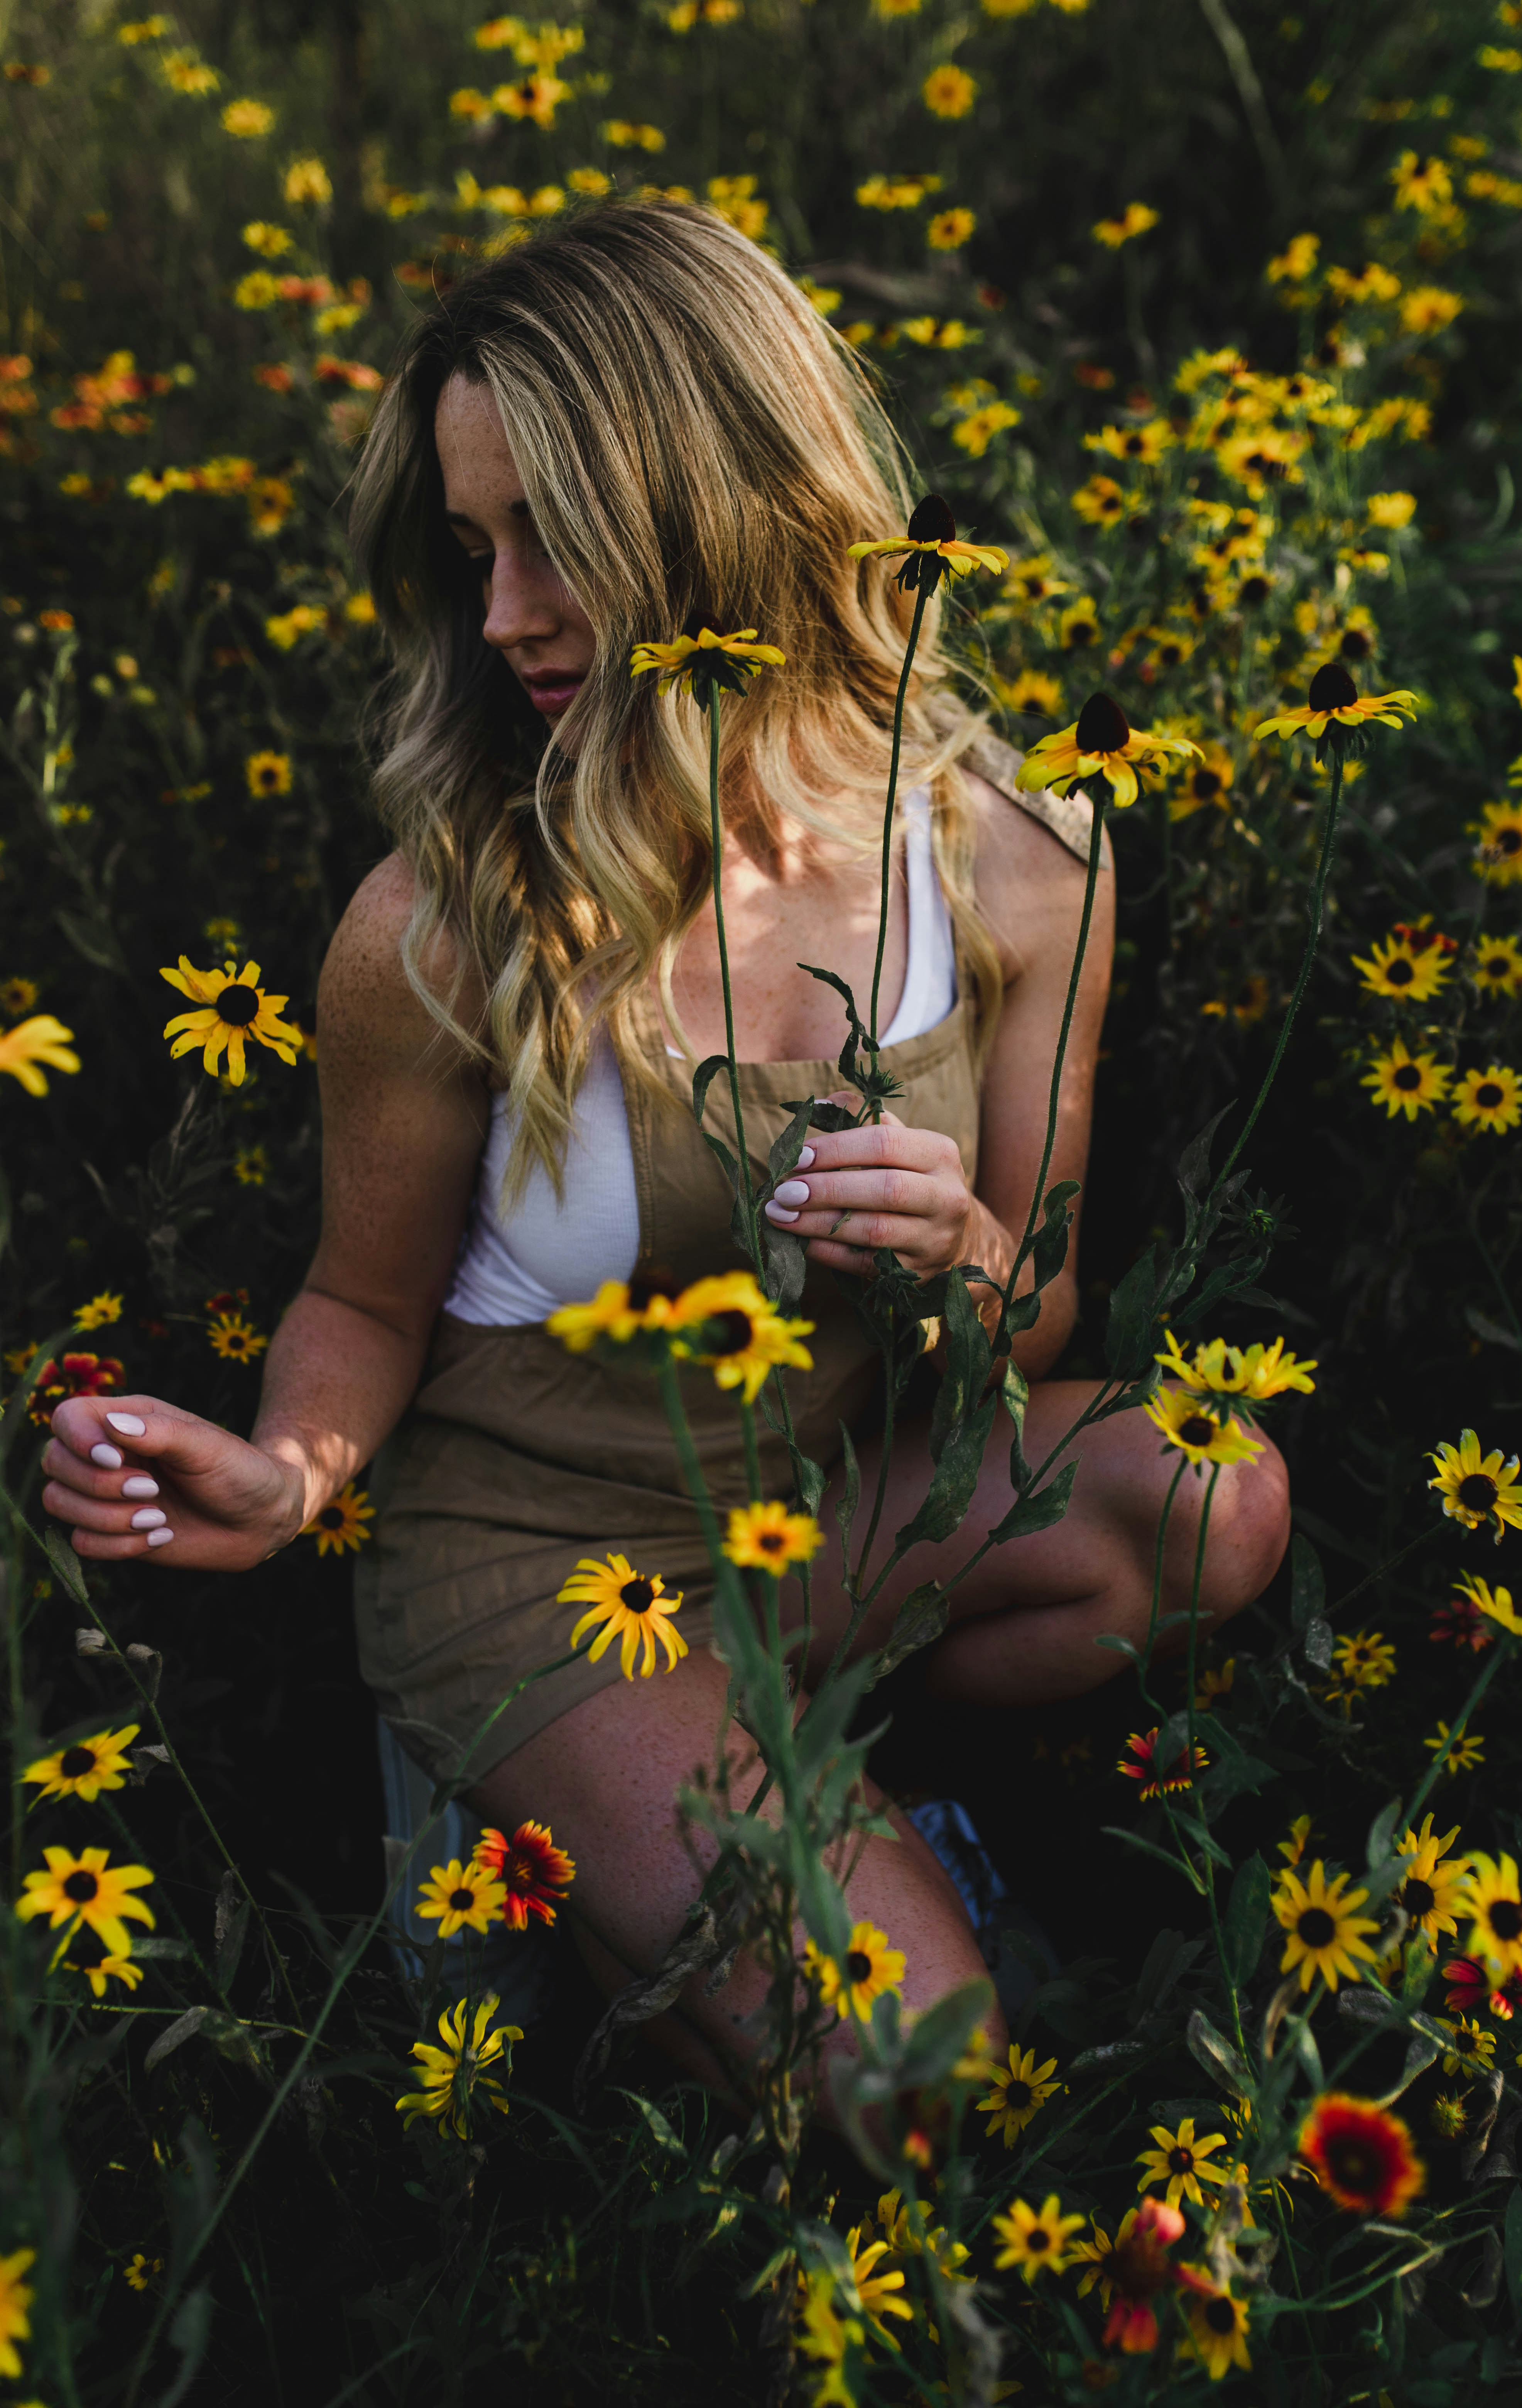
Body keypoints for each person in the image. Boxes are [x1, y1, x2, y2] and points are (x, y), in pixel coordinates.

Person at [42, 202, 1289, 2090]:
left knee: (1210, 1498)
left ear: (726, 501)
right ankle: (608, 1813)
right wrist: (287, 1478)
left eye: (552, 538)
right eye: (471, 553)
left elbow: (1026, 1336)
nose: (503, 618)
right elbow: (361, 1299)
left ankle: (770, 1797)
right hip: (543, 1557)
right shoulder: (444, 920)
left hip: (811, 1520)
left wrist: (958, 1255)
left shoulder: (1027, 867)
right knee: (926, 2076)